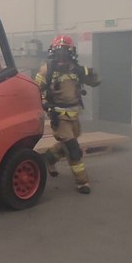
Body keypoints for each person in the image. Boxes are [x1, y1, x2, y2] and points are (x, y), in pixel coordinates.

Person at [34, 35, 101, 194]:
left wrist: (87, 72)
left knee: (67, 145)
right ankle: (82, 182)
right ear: (53, 53)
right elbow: (34, 89)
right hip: (58, 116)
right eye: (59, 53)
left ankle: (48, 158)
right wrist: (45, 103)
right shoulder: (46, 70)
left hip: (74, 115)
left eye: (65, 53)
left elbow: (96, 81)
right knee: (73, 149)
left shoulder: (76, 69)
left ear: (71, 53)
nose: (62, 57)